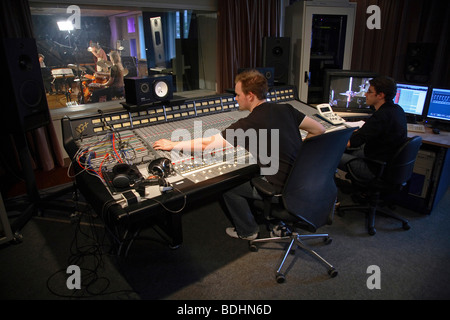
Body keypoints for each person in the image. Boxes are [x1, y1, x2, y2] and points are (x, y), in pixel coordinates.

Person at [153, 69, 325, 240]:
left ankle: (247, 231)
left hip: (285, 192)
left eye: (237, 95)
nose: (235, 99)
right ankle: (276, 223)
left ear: (250, 95)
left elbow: (208, 144)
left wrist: (173, 144)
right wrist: (299, 153)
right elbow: (319, 129)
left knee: (229, 187)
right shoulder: (286, 109)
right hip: (307, 182)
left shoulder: (248, 124)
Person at [337, 76, 407, 181]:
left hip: (373, 169)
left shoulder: (381, 116)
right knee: (350, 151)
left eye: (369, 91)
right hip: (387, 165)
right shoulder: (397, 110)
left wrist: (326, 140)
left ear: (380, 95)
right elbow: (367, 134)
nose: (365, 94)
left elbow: (351, 142)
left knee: (328, 154)